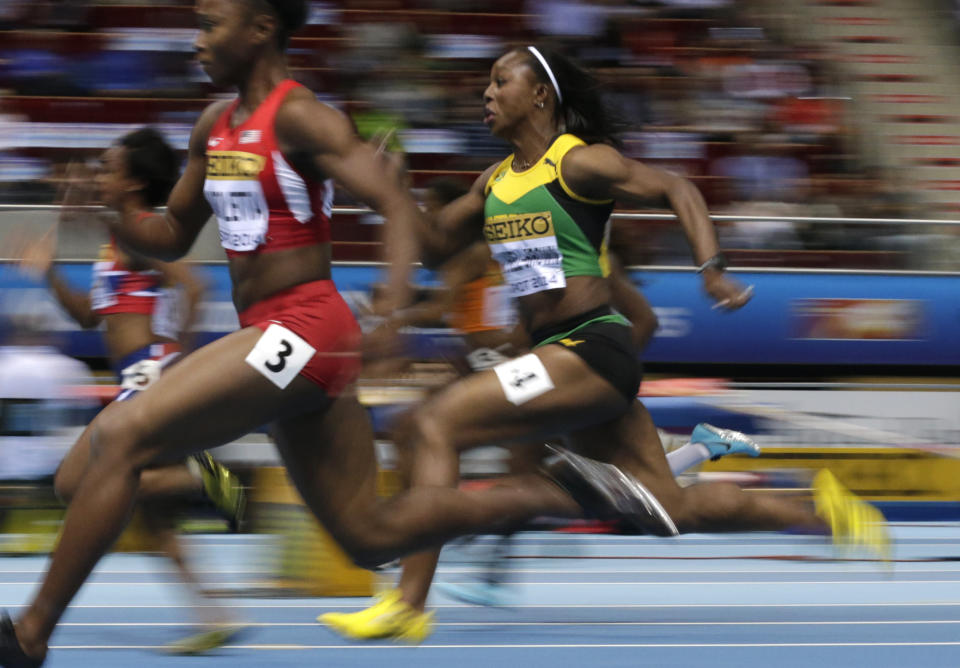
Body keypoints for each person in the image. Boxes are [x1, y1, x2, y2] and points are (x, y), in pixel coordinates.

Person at [0, 5, 665, 666]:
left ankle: (30, 635)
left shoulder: (301, 117)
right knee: (366, 537)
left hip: (306, 326)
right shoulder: (214, 127)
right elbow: (171, 234)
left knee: (121, 437)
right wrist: (118, 210)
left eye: (210, 24)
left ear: (259, 29)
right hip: (270, 335)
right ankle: (576, 492)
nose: (196, 40)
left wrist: (391, 310)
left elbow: (397, 206)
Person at [320, 45, 890, 641]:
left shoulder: (577, 164)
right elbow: (436, 247)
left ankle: (408, 603)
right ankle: (824, 510)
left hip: (587, 346)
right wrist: (396, 195)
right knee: (668, 509)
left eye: (499, 82)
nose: (485, 95)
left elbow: (678, 187)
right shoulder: (493, 182)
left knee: (438, 423)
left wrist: (712, 268)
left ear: (540, 94)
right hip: (562, 358)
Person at [17, 127, 249, 654]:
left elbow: (196, 285)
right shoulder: (117, 238)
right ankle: (213, 612)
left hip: (148, 374)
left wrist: (177, 367)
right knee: (141, 511)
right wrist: (50, 273)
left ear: (135, 182)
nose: (100, 175)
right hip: (132, 373)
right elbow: (86, 315)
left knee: (76, 485)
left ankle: (202, 477)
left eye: (108, 168)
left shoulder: (139, 234)